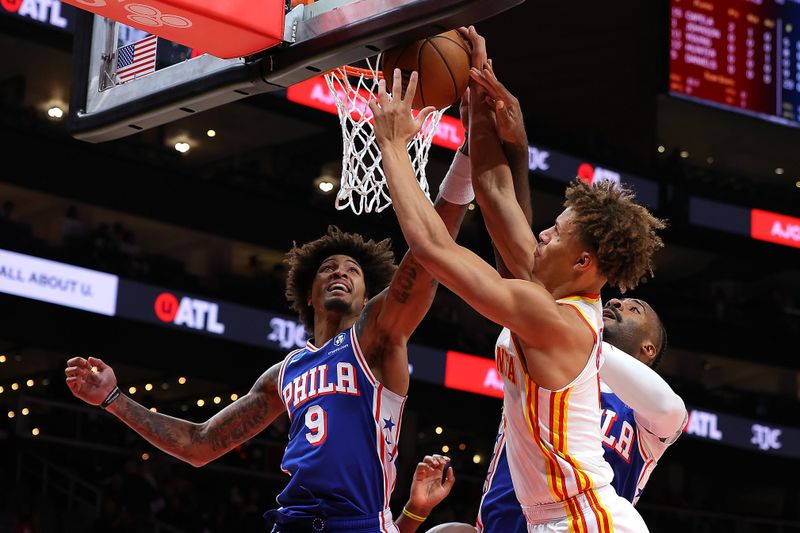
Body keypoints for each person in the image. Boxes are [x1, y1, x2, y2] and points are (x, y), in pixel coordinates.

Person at [65, 142, 474, 531]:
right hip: (292, 522)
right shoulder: (285, 373)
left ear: (369, 296)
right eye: (328, 268)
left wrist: (466, 163)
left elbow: (427, 256)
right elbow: (200, 443)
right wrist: (113, 400)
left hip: (361, 523)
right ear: (309, 293)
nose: (340, 273)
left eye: (352, 270)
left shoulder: (378, 338)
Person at [370, 42, 664, 532]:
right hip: (562, 517)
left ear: (583, 260)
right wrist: (476, 90)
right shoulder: (554, 293)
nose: (542, 233)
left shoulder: (551, 318)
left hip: (584, 522)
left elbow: (435, 249)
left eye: (555, 232)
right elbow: (495, 193)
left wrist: (394, 146)